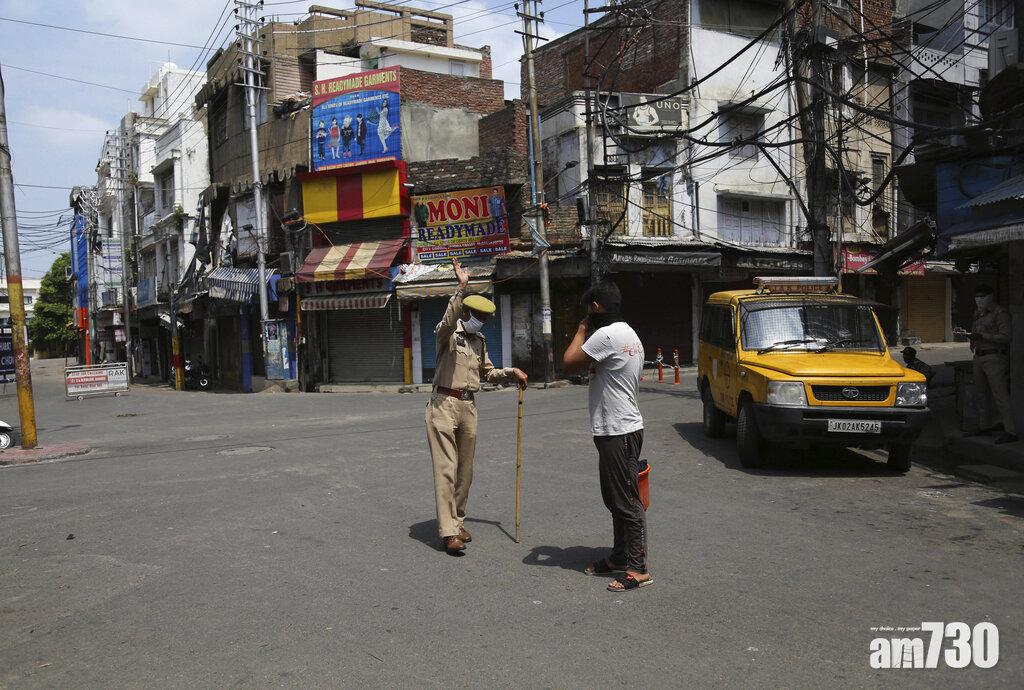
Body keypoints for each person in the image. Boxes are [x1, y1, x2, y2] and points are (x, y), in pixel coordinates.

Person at [425, 259, 529, 555]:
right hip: (443, 404)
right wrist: (461, 288)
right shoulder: (447, 334)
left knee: (465, 472)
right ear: (466, 312)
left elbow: (488, 373)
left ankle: (457, 521)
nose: (481, 321)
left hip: (468, 406)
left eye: (486, 317)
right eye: (478, 315)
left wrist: (511, 372)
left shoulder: (479, 341)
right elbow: (448, 320)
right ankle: (448, 532)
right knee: (446, 470)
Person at [562, 281, 651, 592]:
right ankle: (619, 556)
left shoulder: (605, 335)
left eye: (589, 309)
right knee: (616, 499)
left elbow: (568, 362)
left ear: (596, 307)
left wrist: (580, 329)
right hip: (622, 427)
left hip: (618, 430)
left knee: (626, 500)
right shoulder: (629, 333)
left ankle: (638, 568)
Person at [966, 284, 1017, 444]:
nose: (979, 300)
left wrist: (984, 336)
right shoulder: (977, 313)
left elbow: (1006, 336)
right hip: (979, 356)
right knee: (981, 394)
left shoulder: (999, 313)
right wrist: (972, 338)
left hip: (994, 357)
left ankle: (1010, 430)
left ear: (990, 297)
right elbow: (976, 330)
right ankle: (985, 425)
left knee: (1000, 395)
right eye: (977, 297)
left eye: (982, 296)